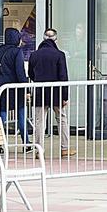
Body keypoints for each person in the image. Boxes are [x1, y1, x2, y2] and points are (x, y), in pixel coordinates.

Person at [28, 28, 75, 157]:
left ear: (43, 38)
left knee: (39, 122)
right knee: (62, 119)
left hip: (40, 91)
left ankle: (39, 150)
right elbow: (63, 76)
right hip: (56, 92)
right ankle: (64, 148)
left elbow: (31, 74)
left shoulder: (34, 55)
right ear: (55, 39)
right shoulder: (59, 55)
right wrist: (65, 96)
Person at [0, 27, 29, 143]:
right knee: (21, 115)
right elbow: (20, 72)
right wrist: (26, 89)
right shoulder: (17, 51)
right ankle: (26, 142)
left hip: (2, 86)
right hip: (16, 87)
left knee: (1, 116)